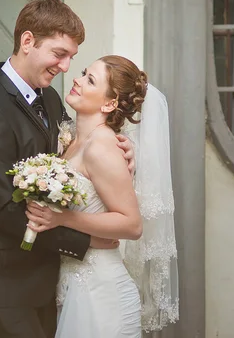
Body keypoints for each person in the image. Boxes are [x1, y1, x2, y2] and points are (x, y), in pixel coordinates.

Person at [0, 0, 135, 338]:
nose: (67, 67)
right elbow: (3, 210)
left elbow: (79, 152)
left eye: (72, 57)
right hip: (4, 286)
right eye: (59, 54)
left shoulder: (51, 99)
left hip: (45, 280)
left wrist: (124, 147)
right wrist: (85, 241)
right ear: (27, 42)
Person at [26, 55, 179, 337]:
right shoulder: (71, 139)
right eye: (84, 73)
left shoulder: (101, 146)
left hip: (102, 295)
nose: (77, 79)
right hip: (76, 287)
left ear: (109, 104)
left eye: (90, 80)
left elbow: (131, 225)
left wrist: (63, 218)